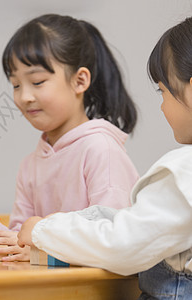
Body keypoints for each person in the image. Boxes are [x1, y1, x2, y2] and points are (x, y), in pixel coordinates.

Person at [18, 17, 192, 298]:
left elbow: (125, 244)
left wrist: (44, 231)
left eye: (163, 91)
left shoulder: (183, 171)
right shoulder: (32, 162)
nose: (161, 105)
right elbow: (131, 221)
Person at [0, 14, 139, 261]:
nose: (24, 97)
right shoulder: (30, 164)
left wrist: (40, 242)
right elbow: (19, 239)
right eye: (16, 85)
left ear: (80, 81)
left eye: (37, 81)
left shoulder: (100, 149)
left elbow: (115, 236)